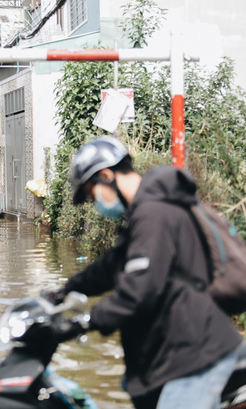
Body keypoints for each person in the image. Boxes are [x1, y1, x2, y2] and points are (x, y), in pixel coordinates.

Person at [51, 136, 242, 409]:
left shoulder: (154, 213)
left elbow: (140, 291)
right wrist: (66, 289)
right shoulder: (147, 211)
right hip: (177, 354)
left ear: (106, 175)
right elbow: (111, 266)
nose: (96, 203)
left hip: (194, 358)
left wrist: (87, 320)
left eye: (92, 194)